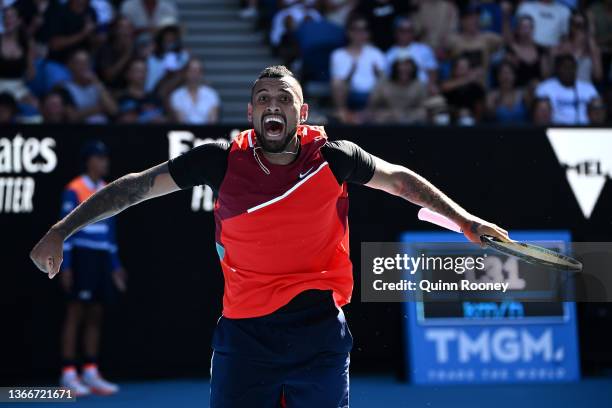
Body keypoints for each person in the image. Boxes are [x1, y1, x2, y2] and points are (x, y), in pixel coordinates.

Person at [30, 64, 510, 407]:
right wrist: (61, 229)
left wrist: (466, 221)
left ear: (301, 113)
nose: (273, 105)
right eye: (264, 98)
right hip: (244, 336)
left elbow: (401, 180)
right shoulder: (219, 160)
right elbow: (135, 188)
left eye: (284, 99)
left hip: (319, 331)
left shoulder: (332, 157)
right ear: (251, 111)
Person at [55, 140, 126, 396]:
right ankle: (68, 373)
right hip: (81, 258)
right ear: (89, 161)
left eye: (105, 157)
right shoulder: (73, 189)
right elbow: (66, 232)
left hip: (101, 260)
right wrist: (67, 266)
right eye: (99, 157)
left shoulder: (108, 189)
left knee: (96, 314)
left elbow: (110, 232)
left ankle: (90, 371)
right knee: (75, 314)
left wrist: (115, 266)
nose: (104, 161)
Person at [330, 14, 385, 123]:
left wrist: (378, 73)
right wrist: (351, 72)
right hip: (350, 93)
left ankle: (364, 115)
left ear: (368, 33)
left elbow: (384, 79)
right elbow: (338, 82)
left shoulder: (376, 53)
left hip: (372, 94)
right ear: (348, 32)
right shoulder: (338, 54)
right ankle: (343, 112)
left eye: (364, 30)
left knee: (383, 84)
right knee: (336, 83)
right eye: (356, 29)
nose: (359, 33)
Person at [535, 53, 599, 124]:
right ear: (557, 69)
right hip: (555, 129)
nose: (569, 71)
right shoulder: (545, 88)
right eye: (565, 67)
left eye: (572, 67)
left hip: (586, 130)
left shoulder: (588, 88)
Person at [61, 50, 118, 123]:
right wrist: (100, 108)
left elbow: (113, 110)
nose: (83, 66)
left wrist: (97, 83)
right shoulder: (64, 88)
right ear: (70, 66)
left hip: (103, 129)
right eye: (79, 63)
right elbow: (72, 117)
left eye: (86, 63)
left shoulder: (97, 85)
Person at [385, 16, 438, 92]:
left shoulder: (424, 49)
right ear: (396, 32)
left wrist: (431, 85)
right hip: (400, 92)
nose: (406, 34)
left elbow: (432, 71)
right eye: (402, 30)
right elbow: (388, 80)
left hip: (423, 89)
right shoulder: (389, 55)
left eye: (409, 30)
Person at [367, 56, 427, 123]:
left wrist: (407, 116)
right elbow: (372, 105)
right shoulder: (383, 83)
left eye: (407, 66)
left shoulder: (418, 84)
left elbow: (424, 107)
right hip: (386, 120)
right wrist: (390, 114)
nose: (404, 69)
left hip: (411, 120)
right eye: (400, 66)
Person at [552, 10, 602, 83]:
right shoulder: (562, 45)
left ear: (586, 27)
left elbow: (598, 76)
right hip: (563, 88)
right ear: (570, 25)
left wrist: (590, 38)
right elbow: (553, 71)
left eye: (581, 25)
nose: (578, 28)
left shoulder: (592, 48)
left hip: (584, 89)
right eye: (574, 24)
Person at [0, 7, 36, 104]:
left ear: (18, 20)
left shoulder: (25, 43)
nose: (8, 20)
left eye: (11, 17)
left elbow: (31, 74)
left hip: (18, 86)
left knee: (35, 105)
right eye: (5, 17)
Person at [503, 15, 549, 88]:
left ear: (533, 29)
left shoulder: (541, 50)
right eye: (523, 27)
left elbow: (546, 76)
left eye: (529, 27)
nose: (526, 31)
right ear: (517, 30)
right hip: (517, 91)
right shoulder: (511, 50)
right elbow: (506, 76)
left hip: (537, 90)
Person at [169, 59, 220, 124]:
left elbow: (213, 120)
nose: (194, 74)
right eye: (192, 71)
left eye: (198, 71)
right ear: (185, 73)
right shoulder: (177, 95)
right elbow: (180, 121)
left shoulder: (211, 94)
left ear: (201, 74)